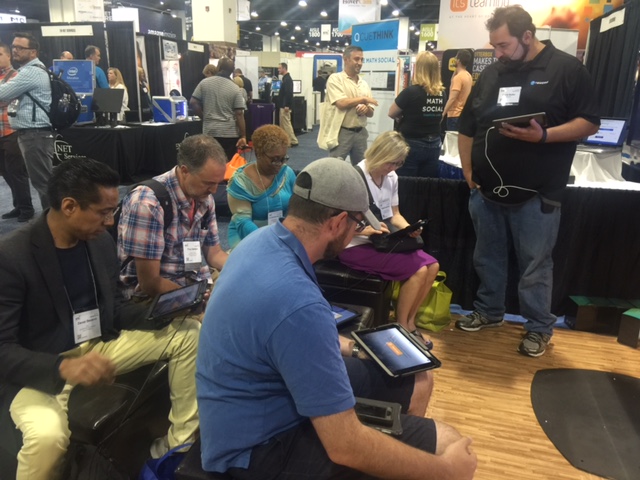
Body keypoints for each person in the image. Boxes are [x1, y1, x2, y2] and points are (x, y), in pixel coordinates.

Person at [196, 156, 477, 479]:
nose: (358, 232)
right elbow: (345, 446)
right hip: (252, 450)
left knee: (417, 376)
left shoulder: (259, 242)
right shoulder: (298, 302)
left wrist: (355, 348)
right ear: (337, 222)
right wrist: (443, 470)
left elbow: (286, 334)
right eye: (358, 225)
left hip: (247, 402)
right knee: (450, 447)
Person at [0, 158, 200, 480]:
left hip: (99, 346)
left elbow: (116, 311)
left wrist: (166, 308)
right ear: (69, 206)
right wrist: (64, 368)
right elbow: (3, 349)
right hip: (43, 367)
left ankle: (176, 449)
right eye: (103, 212)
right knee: (47, 438)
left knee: (188, 332)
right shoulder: (12, 257)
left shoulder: (99, 243)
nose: (110, 222)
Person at [456, 5, 600, 357]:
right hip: (487, 190)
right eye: (494, 46)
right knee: (487, 257)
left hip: (538, 192)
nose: (498, 53)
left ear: (527, 36)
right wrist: (467, 170)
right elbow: (468, 125)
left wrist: (544, 136)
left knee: (536, 265)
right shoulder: (491, 74)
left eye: (503, 45)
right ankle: (489, 312)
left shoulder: (567, 69)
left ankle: (538, 328)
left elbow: (590, 122)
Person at [338, 131, 440, 342]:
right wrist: (364, 230)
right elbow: (338, 223)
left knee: (433, 266)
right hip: (354, 245)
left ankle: (409, 321)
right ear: (379, 155)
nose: (393, 168)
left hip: (380, 242)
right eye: (391, 163)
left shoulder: (392, 177)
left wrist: (409, 228)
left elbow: (394, 215)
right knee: (419, 270)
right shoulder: (354, 177)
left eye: (399, 163)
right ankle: (402, 327)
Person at [118, 134, 228, 297]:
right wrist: (195, 298)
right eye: (208, 183)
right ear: (185, 171)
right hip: (151, 299)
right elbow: (150, 283)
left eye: (218, 183)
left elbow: (214, 254)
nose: (214, 191)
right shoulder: (147, 204)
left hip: (191, 281)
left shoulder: (204, 198)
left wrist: (242, 272)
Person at [0, 32, 54, 210]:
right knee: (42, 180)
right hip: (33, 134)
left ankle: (53, 223)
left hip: (34, 134)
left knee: (43, 182)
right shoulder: (31, 70)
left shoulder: (31, 72)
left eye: (20, 48)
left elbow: (2, 93)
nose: (15, 50)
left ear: (33, 52)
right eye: (14, 46)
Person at [227, 125, 296, 248]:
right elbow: (243, 222)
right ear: (258, 153)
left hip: (281, 235)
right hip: (248, 236)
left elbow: (295, 210)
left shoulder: (287, 173)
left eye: (283, 158)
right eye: (274, 159)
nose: (279, 164)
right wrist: (271, 243)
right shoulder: (240, 182)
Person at [388, 51, 446, 178]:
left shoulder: (411, 92)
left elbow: (391, 113)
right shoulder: (442, 93)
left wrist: (401, 117)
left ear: (419, 68)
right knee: (425, 185)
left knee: (406, 184)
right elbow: (439, 117)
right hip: (434, 143)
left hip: (412, 143)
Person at [323, 46, 378, 164]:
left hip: (361, 133)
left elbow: (371, 113)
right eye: (356, 59)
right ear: (346, 59)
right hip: (342, 133)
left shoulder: (364, 84)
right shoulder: (335, 79)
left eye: (362, 60)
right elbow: (341, 103)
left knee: (362, 169)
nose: (360, 63)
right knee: (334, 168)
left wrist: (365, 108)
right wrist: (363, 99)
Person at [0, 41, 34, 222]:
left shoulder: (16, 76)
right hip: (0, 132)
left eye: (0, 55)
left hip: (11, 130)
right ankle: (18, 206)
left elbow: (9, 98)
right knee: (5, 172)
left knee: (17, 172)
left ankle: (27, 208)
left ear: (8, 56)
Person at [190, 57, 247, 161]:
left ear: (218, 67)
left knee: (209, 161)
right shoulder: (235, 88)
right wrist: (243, 135)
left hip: (210, 130)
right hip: (229, 133)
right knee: (227, 163)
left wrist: (204, 117)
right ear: (232, 71)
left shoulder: (204, 83)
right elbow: (239, 113)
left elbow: (193, 102)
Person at [442, 49, 473, 132]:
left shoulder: (458, 78)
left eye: (456, 58)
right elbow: (452, 81)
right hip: (462, 114)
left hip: (454, 115)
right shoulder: (468, 75)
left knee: (452, 142)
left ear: (458, 60)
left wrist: (443, 114)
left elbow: (452, 98)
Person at [277, 62, 299, 147]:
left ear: (284, 68)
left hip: (285, 105)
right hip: (283, 105)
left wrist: (286, 105)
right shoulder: (285, 79)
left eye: (279, 68)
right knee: (283, 124)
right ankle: (286, 141)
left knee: (286, 123)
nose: (278, 70)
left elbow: (288, 93)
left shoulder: (287, 79)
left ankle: (293, 140)